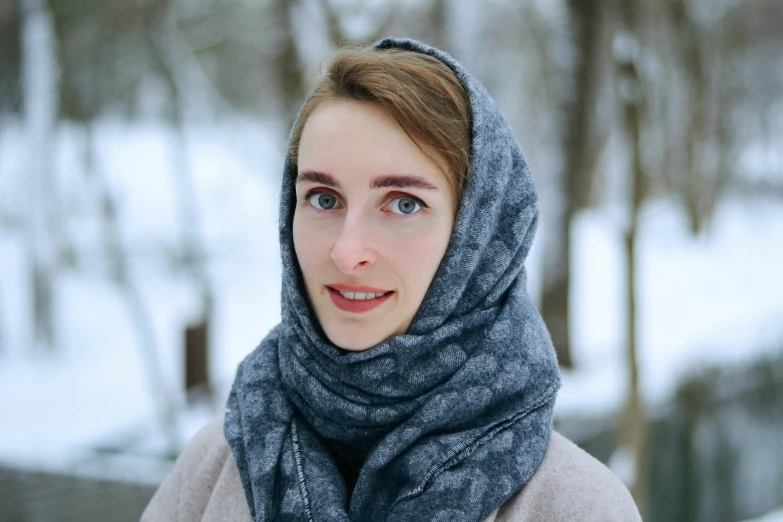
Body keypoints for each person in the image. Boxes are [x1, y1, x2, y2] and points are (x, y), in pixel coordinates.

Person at [142, 38, 642, 522]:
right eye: (323, 198)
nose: (347, 251)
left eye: (404, 203)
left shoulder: (577, 507)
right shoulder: (210, 471)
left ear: (478, 237)